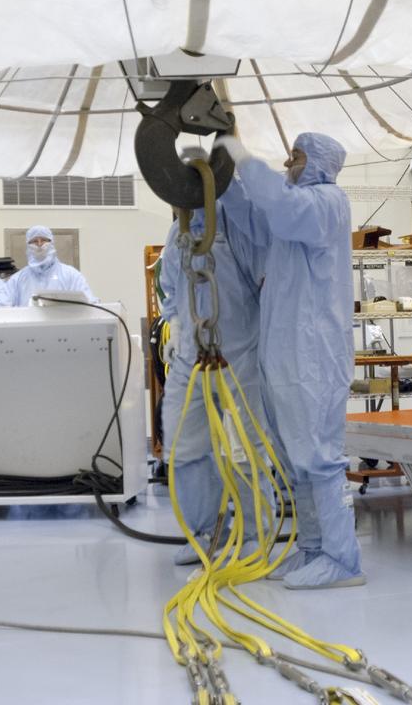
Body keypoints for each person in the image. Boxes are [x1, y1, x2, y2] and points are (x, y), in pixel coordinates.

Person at [216, 131, 364, 589]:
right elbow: (254, 217)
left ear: (318, 161)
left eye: (296, 156)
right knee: (298, 460)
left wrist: (244, 157)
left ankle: (342, 559)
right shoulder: (292, 218)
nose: (288, 162)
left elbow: (279, 206)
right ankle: (313, 548)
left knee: (319, 457)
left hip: (314, 355)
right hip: (288, 354)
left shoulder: (326, 203)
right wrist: (223, 176)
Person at [159, 204, 268, 566]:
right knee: (182, 447)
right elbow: (171, 286)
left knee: (246, 447)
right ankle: (204, 533)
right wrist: (176, 323)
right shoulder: (178, 231)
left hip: (240, 354)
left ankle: (254, 535)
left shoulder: (237, 221)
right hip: (190, 356)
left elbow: (264, 281)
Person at [0, 225, 95, 306]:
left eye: (44, 240)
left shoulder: (71, 275)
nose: (39, 244)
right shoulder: (17, 279)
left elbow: (90, 305)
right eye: (34, 241)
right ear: (28, 245)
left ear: (51, 243)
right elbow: (1, 307)